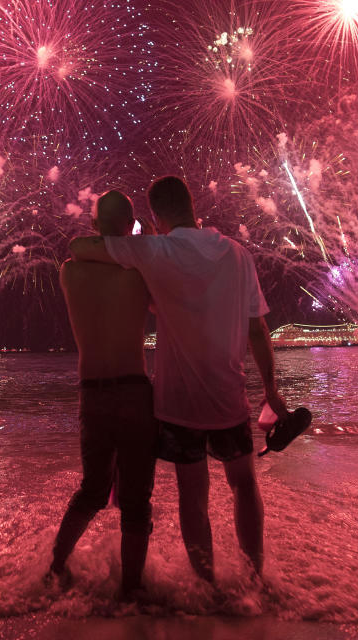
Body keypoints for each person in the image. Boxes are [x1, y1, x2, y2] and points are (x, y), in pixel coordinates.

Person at [69, 176, 288, 583]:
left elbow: (82, 248)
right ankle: (255, 579)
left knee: (194, 495)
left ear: (155, 215)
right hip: (230, 397)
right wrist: (272, 390)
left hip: (180, 404)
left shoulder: (158, 251)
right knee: (244, 485)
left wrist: (147, 240)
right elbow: (258, 331)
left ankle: (208, 585)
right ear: (191, 204)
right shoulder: (238, 255)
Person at [49, 190, 158, 598]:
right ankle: (131, 592)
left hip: (92, 394)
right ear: (130, 226)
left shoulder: (69, 273)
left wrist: (94, 239)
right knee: (135, 504)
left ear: (94, 226)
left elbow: (82, 249)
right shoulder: (139, 272)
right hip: (134, 391)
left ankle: (54, 569)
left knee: (92, 491)